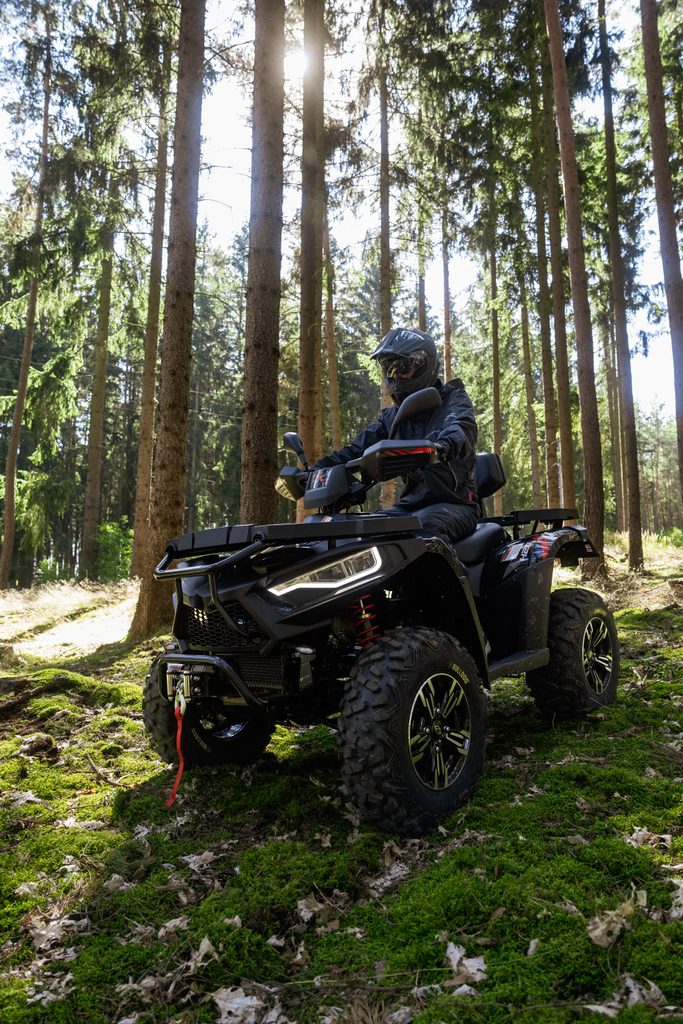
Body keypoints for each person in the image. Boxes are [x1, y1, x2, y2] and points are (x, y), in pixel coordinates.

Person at [312, 327, 479, 547]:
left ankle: (453, 570)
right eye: (388, 370)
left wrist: (443, 446)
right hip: (411, 504)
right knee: (368, 531)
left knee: (424, 530)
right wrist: (315, 471)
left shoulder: (453, 399)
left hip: (456, 503)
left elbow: (461, 426)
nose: (394, 377)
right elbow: (356, 449)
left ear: (425, 365)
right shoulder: (393, 417)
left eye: (402, 368)